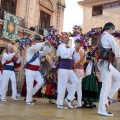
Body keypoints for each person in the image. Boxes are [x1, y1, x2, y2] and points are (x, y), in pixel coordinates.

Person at [97, 22, 120, 116]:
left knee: (119, 77)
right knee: (105, 86)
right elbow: (116, 49)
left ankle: (108, 98)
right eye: (113, 30)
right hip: (105, 62)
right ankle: (101, 109)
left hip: (106, 63)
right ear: (110, 29)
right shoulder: (109, 37)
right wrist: (118, 56)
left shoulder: (102, 36)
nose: (113, 31)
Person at [24, 35, 53, 105]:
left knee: (41, 82)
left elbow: (45, 52)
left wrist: (47, 45)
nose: (36, 43)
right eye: (35, 41)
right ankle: (28, 100)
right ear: (31, 43)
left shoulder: (37, 53)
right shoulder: (30, 50)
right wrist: (43, 43)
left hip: (36, 71)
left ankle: (31, 95)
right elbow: (36, 47)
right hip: (29, 70)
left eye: (37, 42)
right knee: (30, 85)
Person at [56, 32, 79, 109]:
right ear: (62, 39)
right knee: (62, 86)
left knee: (76, 82)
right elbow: (64, 55)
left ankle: (69, 98)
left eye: (68, 37)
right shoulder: (60, 46)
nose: (67, 38)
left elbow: (75, 58)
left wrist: (77, 50)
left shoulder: (69, 47)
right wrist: (73, 49)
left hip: (69, 69)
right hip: (63, 68)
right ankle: (59, 103)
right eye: (65, 37)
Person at [72, 41, 86, 108]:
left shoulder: (77, 50)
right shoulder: (84, 51)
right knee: (79, 86)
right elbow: (85, 61)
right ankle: (79, 102)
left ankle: (71, 98)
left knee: (73, 84)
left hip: (76, 69)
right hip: (81, 70)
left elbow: (75, 59)